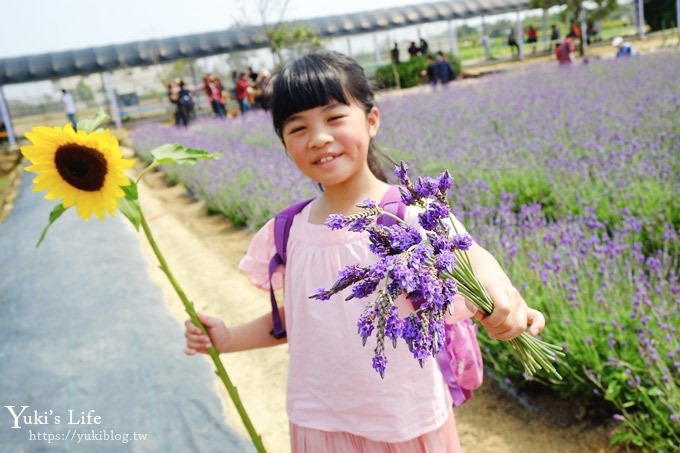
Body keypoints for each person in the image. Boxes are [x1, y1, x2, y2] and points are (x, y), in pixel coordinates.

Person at [183, 50, 546, 452]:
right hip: (318, 423)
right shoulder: (289, 231)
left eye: (335, 118)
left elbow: (473, 256)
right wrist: (229, 338)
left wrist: (502, 294)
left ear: (371, 121)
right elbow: (303, 320)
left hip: (405, 421)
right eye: (298, 128)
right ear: (285, 145)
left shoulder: (410, 214)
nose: (319, 137)